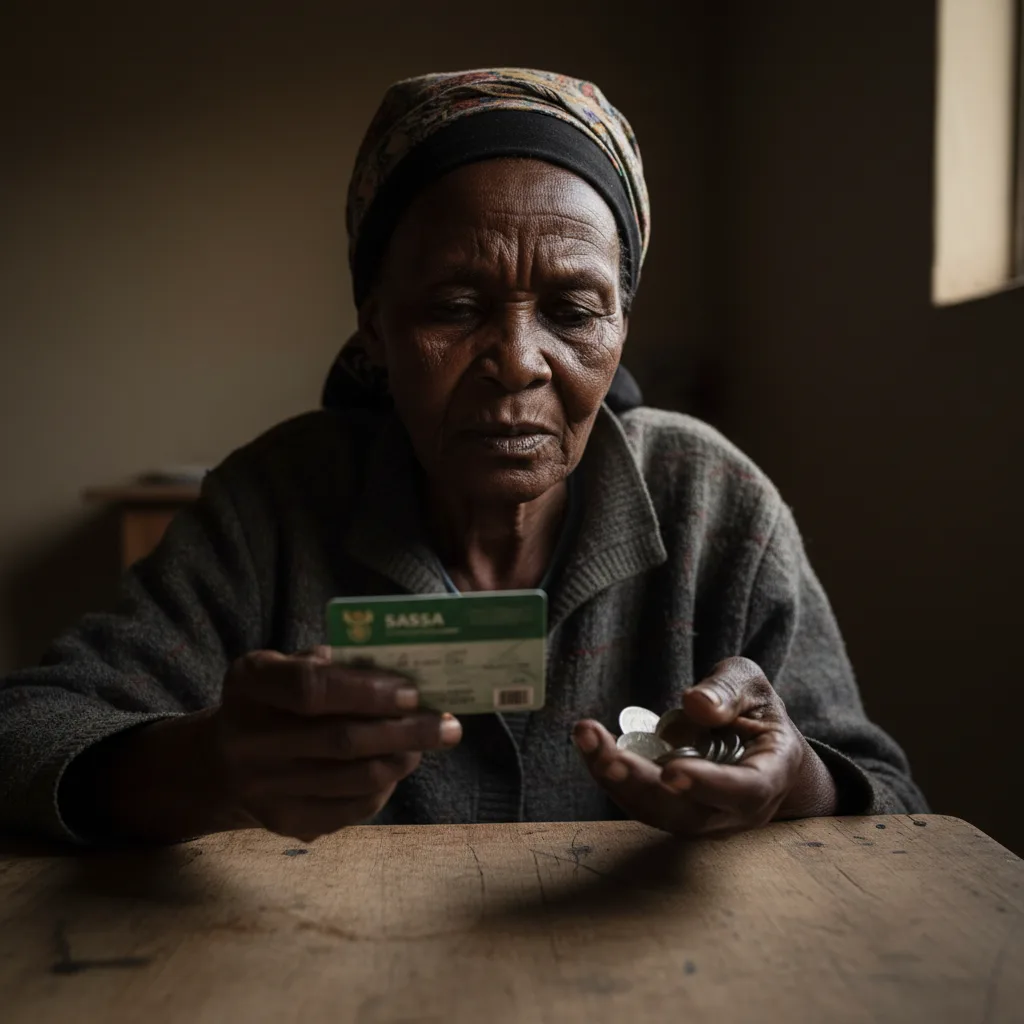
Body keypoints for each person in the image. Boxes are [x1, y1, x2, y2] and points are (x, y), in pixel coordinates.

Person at [0, 68, 927, 846]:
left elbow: (893, 803)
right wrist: (203, 767)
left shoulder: (713, 504)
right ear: (374, 327)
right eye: (453, 307)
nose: (518, 362)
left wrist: (797, 779)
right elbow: (23, 735)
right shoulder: (274, 506)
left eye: (572, 312)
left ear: (620, 326)